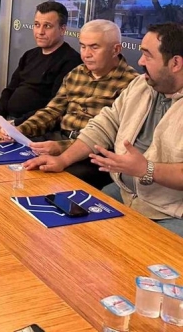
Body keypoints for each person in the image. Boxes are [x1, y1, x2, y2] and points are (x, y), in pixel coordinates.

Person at [26, 23, 183, 236]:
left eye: (147, 55)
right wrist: (62, 160)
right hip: (124, 193)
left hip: (171, 213)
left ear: (175, 63)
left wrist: (146, 169)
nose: (140, 61)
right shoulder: (140, 85)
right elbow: (103, 125)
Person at [14, 19, 137, 188]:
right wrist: (21, 130)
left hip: (93, 156)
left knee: (45, 178)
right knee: (15, 157)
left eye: (94, 47)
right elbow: (52, 111)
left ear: (115, 50)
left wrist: (62, 148)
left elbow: (114, 138)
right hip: (59, 137)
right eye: (83, 46)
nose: (86, 54)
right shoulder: (76, 73)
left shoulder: (131, 84)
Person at [0, 1, 81, 130]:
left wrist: (16, 123)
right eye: (37, 25)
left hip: (31, 126)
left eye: (47, 26)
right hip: (5, 119)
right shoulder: (29, 55)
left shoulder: (70, 61)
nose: (40, 32)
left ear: (62, 29)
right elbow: (10, 90)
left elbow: (54, 107)